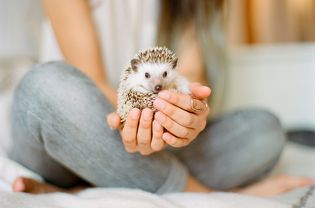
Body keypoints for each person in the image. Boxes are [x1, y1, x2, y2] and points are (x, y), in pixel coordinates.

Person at [8, 0, 314, 196]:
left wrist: (185, 114)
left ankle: (80, 188)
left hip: (147, 144)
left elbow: (190, 74)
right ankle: (197, 193)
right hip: (66, 134)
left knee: (264, 131)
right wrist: (141, 120)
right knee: (46, 85)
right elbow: (93, 79)